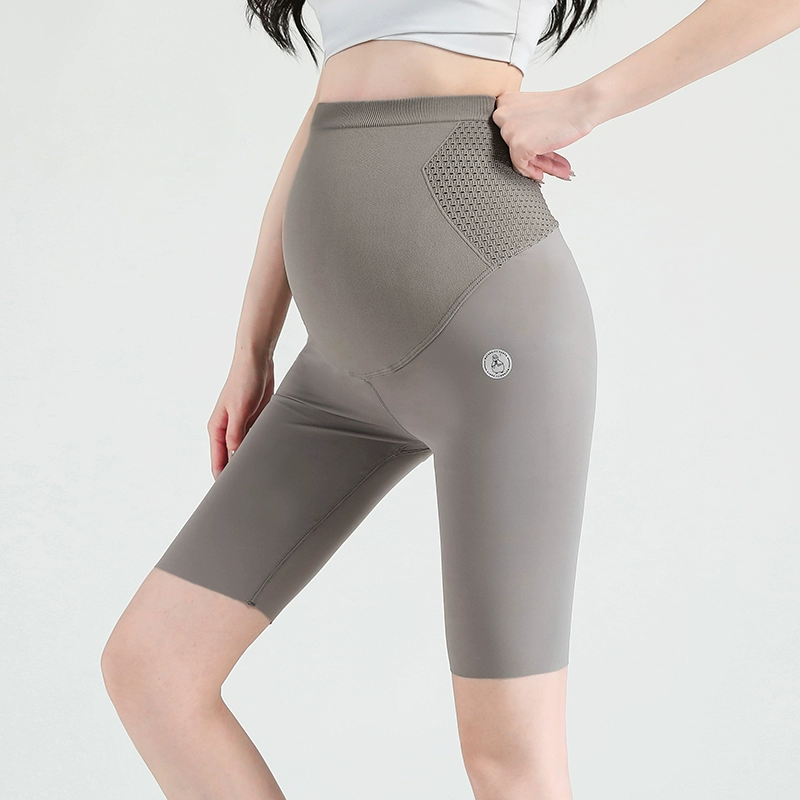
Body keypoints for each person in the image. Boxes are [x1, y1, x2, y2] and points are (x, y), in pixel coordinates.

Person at [100, 1, 800, 798]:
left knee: (509, 758)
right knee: (153, 669)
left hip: (490, 330)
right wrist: (249, 347)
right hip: (332, 372)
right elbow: (324, 114)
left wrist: (586, 102)